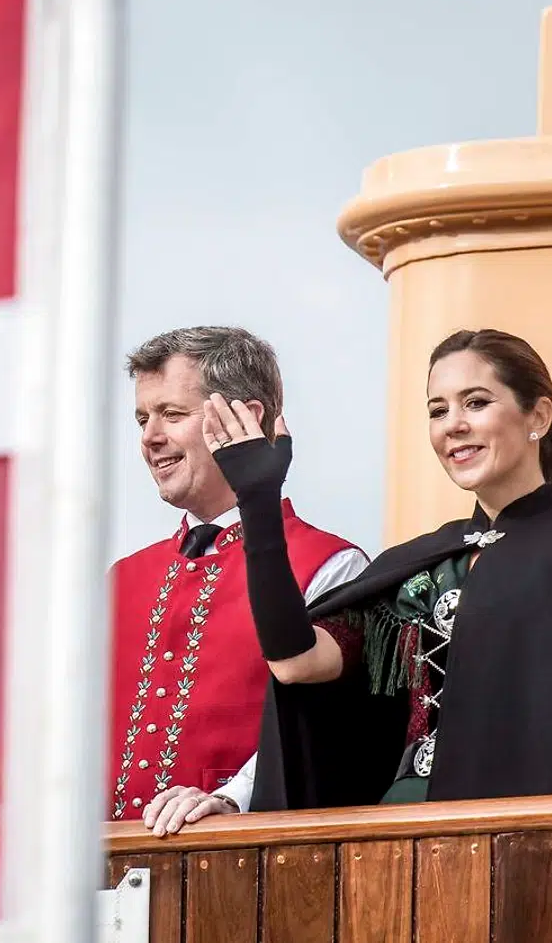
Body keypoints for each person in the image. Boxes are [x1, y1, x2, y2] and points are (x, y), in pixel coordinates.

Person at [204, 328, 552, 810]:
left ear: (538, 416)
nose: (453, 425)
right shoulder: (419, 563)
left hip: (531, 844)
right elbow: (295, 662)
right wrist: (257, 503)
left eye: (476, 402)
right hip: (398, 839)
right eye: (438, 410)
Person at [108, 327, 366, 829]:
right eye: (142, 418)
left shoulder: (333, 564)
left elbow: (324, 726)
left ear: (246, 420)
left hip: (245, 863)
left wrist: (230, 799)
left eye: (173, 415)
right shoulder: (120, 578)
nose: (149, 437)